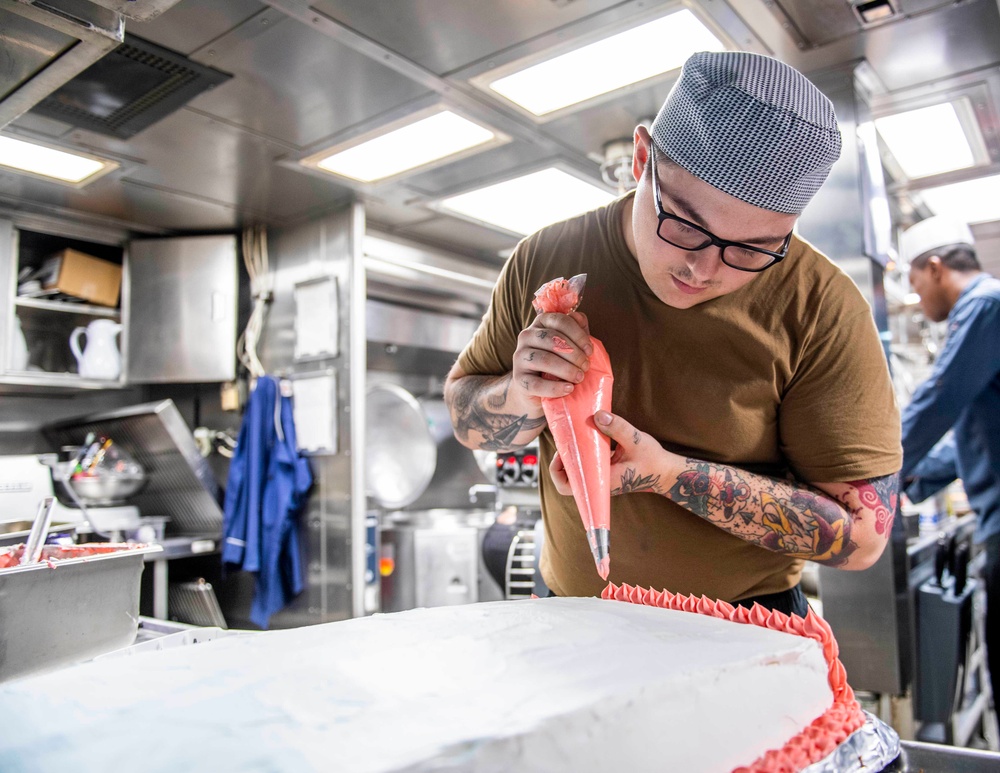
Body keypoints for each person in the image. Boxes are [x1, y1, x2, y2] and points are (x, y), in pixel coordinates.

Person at [444, 50, 902, 617]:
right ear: (643, 159)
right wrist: (521, 393)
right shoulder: (547, 257)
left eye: (752, 249)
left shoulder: (822, 307)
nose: (703, 271)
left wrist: (670, 475)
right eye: (685, 225)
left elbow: (862, 537)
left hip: (745, 622)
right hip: (570, 608)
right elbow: (468, 423)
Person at [897, 214, 1000, 708]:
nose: (916, 296)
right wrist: (910, 480)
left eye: (915, 282)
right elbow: (971, 441)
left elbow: (940, 398)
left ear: (935, 267)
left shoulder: (985, 306)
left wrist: (874, 468)